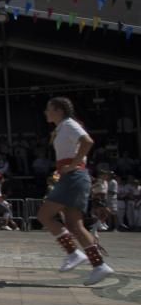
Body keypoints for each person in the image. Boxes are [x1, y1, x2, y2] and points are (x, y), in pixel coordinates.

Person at [35, 97, 114, 286]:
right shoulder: (62, 128)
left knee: (44, 215)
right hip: (72, 177)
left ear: (59, 110)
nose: (46, 112)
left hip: (74, 177)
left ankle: (73, 253)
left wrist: (73, 164)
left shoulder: (69, 124)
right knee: (75, 225)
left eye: (49, 109)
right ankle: (99, 265)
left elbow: (87, 141)